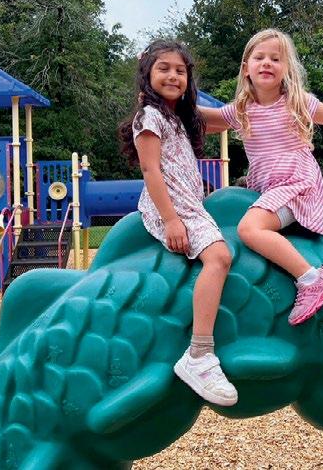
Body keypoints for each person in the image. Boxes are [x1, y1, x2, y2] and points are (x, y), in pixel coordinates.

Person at [199, 28, 323, 326]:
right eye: (259, 57)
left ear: (287, 68)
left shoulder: (297, 102)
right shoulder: (242, 109)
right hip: (270, 188)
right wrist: (170, 103)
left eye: (275, 58)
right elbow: (210, 120)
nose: (267, 63)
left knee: (249, 229)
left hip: (297, 185)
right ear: (246, 68)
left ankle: (311, 279)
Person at [118, 40, 237, 407]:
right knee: (219, 257)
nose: (173, 76)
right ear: (147, 74)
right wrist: (171, 219)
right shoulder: (150, 116)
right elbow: (150, 169)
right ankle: (199, 353)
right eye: (164, 68)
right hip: (173, 205)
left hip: (188, 202)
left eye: (180, 71)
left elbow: (228, 118)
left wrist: (263, 98)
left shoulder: (178, 116)